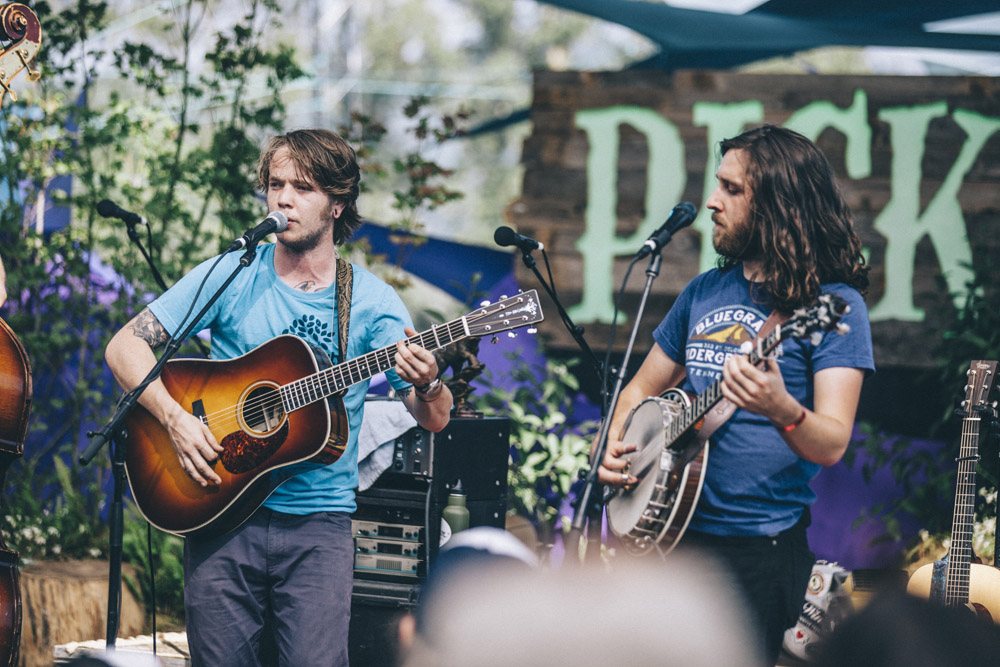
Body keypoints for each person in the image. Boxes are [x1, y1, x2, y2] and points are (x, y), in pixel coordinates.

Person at [104, 128, 452, 667]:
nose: (283, 198)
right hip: (221, 515)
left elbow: (433, 418)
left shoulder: (372, 303)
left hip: (318, 531)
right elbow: (125, 347)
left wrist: (428, 382)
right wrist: (175, 420)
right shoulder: (232, 274)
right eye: (275, 184)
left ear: (338, 203)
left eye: (302, 187)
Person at [594, 125, 874, 664]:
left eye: (731, 189)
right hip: (669, 539)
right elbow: (638, 391)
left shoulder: (833, 307)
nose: (711, 201)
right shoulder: (703, 291)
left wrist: (781, 408)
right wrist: (610, 444)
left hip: (758, 551)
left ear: (778, 204)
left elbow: (832, 443)